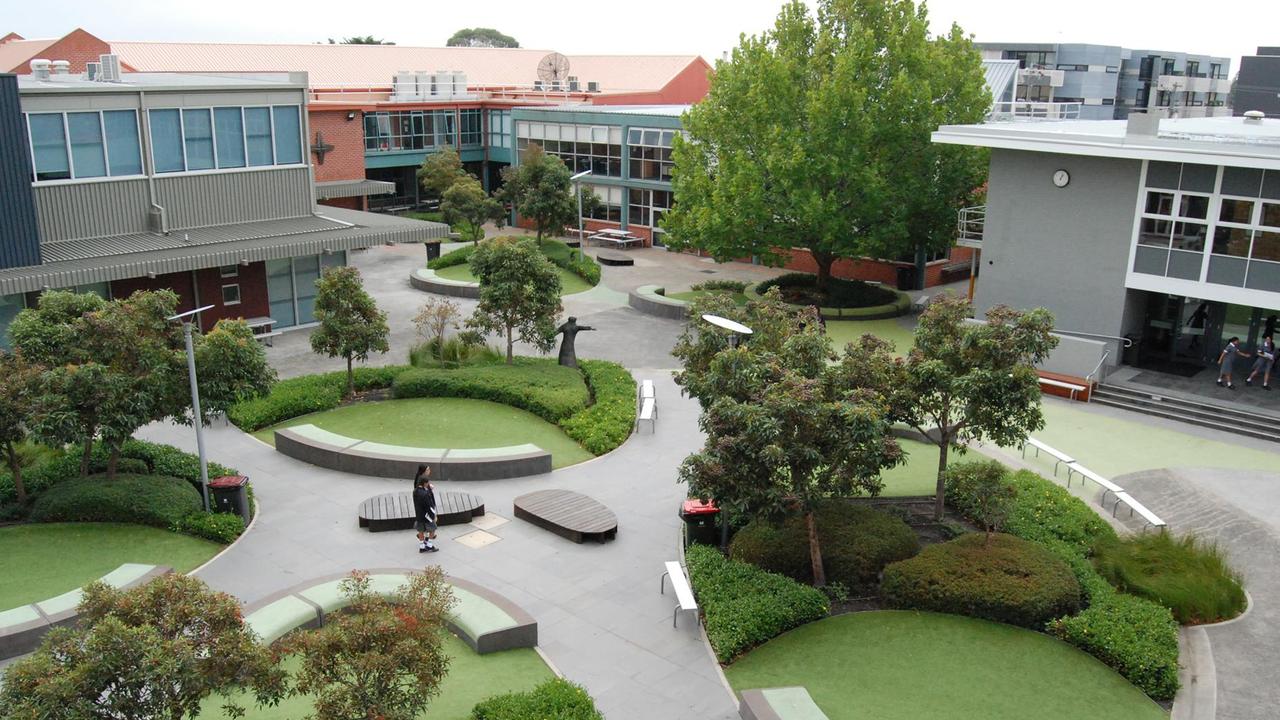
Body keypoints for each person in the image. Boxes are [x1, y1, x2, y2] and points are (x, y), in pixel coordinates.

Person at [412, 465, 438, 553]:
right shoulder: (425, 494)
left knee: (421, 531)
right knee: (433, 529)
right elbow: (429, 506)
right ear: (424, 483)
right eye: (427, 483)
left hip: (419, 515)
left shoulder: (415, 492)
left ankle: (422, 547)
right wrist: (433, 516)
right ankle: (429, 545)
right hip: (427, 516)